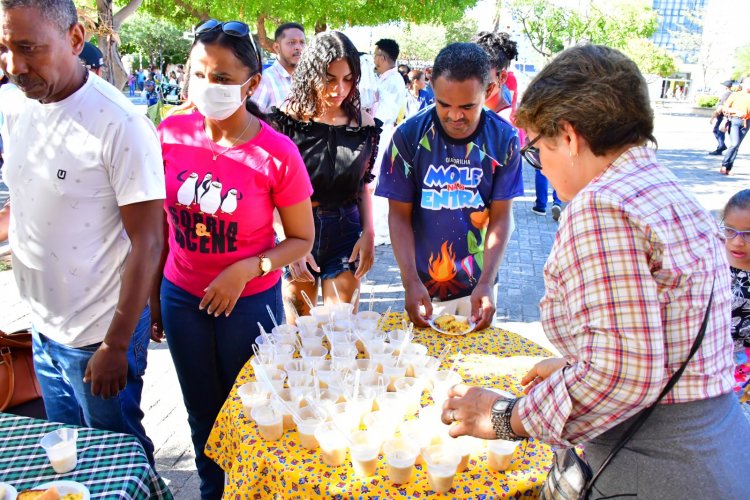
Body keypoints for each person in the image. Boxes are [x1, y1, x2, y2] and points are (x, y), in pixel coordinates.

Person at [443, 44, 750, 498]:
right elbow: (658, 334)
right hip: (719, 450)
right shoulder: (668, 190)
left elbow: (622, 375)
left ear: (568, 137)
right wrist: (576, 364)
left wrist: (503, 416)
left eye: (537, 151)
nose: (540, 166)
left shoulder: (601, 205)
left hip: (657, 468)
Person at [0, 0, 165, 466]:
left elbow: (148, 241)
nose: (15, 65)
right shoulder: (17, 108)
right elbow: (28, 202)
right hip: (43, 329)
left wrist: (115, 345)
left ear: (75, 40)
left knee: (117, 454)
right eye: (5, 48)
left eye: (28, 48)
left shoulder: (122, 124)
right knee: (68, 456)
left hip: (98, 335)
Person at [154, 19, 314, 498]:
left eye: (223, 78)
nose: (208, 87)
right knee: (202, 413)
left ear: (252, 84)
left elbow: (302, 239)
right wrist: (152, 295)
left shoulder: (278, 153)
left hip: (249, 305)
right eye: (199, 74)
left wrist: (248, 268)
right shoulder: (169, 132)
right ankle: (211, 493)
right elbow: (160, 223)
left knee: (252, 412)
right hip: (182, 299)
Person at [375, 42, 522, 329]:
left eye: (468, 106)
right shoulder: (408, 137)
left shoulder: (505, 139)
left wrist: (487, 282)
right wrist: (409, 282)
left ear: (489, 91)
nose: (455, 116)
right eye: (444, 105)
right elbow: (399, 216)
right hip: (423, 288)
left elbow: (502, 216)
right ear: (431, 85)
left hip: (481, 287)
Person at [267, 31, 380, 317]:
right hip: (295, 227)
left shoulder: (364, 124)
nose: (338, 89)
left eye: (348, 79)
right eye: (329, 78)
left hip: (346, 231)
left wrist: (369, 233)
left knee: (340, 330)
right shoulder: (285, 121)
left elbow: (363, 186)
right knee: (298, 332)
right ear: (310, 73)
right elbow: (269, 192)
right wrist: (290, 241)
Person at [372, 38, 407, 245]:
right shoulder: (385, 78)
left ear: (382, 57)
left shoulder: (393, 81)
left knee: (379, 182)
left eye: (376, 55)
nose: (374, 59)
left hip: (383, 134)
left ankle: (382, 231)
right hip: (380, 133)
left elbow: (386, 112)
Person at [721, 189, 750, 417]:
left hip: (743, 361)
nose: (738, 242)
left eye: (748, 234)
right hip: (708, 352)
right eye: (730, 230)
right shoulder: (712, 257)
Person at [251, 22, 305, 113]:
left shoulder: (308, 79)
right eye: (292, 42)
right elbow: (253, 119)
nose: (298, 47)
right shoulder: (265, 79)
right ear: (276, 47)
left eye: (302, 42)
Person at [720, 76, 750, 175]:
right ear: (742, 84)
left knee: (737, 146)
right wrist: (736, 111)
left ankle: (729, 168)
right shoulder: (735, 95)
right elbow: (725, 108)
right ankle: (724, 165)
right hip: (735, 121)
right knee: (734, 144)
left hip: (746, 122)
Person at [709, 79, 733, 155]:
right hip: (727, 116)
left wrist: (713, 117)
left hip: (723, 116)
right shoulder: (732, 94)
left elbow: (721, 107)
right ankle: (721, 146)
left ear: (726, 87)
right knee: (719, 131)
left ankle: (721, 146)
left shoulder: (726, 94)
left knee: (717, 131)